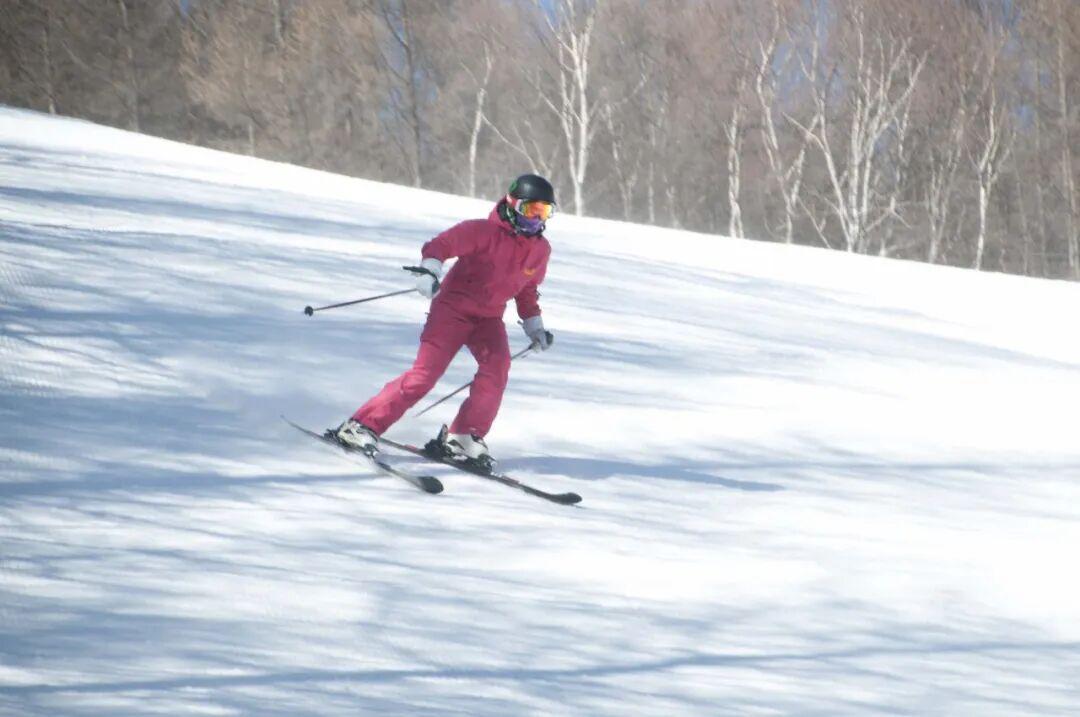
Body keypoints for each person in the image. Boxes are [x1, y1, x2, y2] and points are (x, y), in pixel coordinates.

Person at [334, 174, 556, 470]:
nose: (536, 220)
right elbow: (441, 244)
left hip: (489, 319)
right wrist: (429, 270)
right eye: (531, 210)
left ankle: (464, 435)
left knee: (497, 369)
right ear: (513, 205)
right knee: (424, 376)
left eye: (545, 212)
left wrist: (534, 326)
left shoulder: (540, 250)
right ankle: (360, 425)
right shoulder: (482, 231)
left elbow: (526, 291)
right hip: (452, 310)